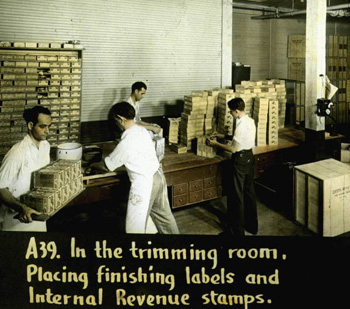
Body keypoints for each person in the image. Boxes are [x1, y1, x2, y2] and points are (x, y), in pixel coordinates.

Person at [93, 102, 179, 234]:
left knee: (135, 228)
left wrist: (91, 165)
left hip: (145, 184)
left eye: (114, 120)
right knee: (164, 218)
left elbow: (106, 166)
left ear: (120, 119)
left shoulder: (127, 140)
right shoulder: (142, 131)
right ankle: (178, 247)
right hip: (158, 177)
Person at [207, 97, 257, 236]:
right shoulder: (250, 121)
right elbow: (241, 139)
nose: (230, 114)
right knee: (249, 192)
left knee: (236, 196)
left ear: (236, 111)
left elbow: (233, 149)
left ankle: (237, 232)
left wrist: (216, 144)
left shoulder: (240, 126)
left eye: (231, 112)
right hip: (249, 157)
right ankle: (252, 227)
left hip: (240, 160)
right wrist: (222, 135)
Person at [0, 106, 52, 231]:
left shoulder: (45, 146)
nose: (47, 131)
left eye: (49, 126)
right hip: (17, 220)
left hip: (38, 216)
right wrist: (21, 208)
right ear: (30, 125)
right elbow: (0, 188)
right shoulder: (17, 153)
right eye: (42, 126)